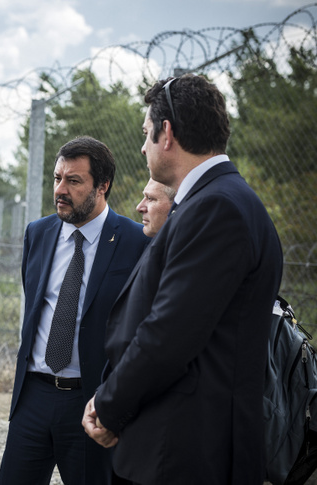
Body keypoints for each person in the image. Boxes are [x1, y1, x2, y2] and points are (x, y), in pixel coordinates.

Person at [83, 75, 283, 484]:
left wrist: (109, 405)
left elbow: (168, 335)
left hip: (185, 452)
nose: (143, 147)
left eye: (146, 133)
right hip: (178, 445)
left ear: (167, 133)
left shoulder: (217, 208)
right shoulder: (213, 201)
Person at [0, 136, 150, 484]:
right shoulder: (38, 233)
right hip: (32, 396)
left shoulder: (136, 241)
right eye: (57, 178)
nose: (60, 190)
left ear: (103, 185)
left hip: (91, 401)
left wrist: (116, 401)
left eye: (74, 181)